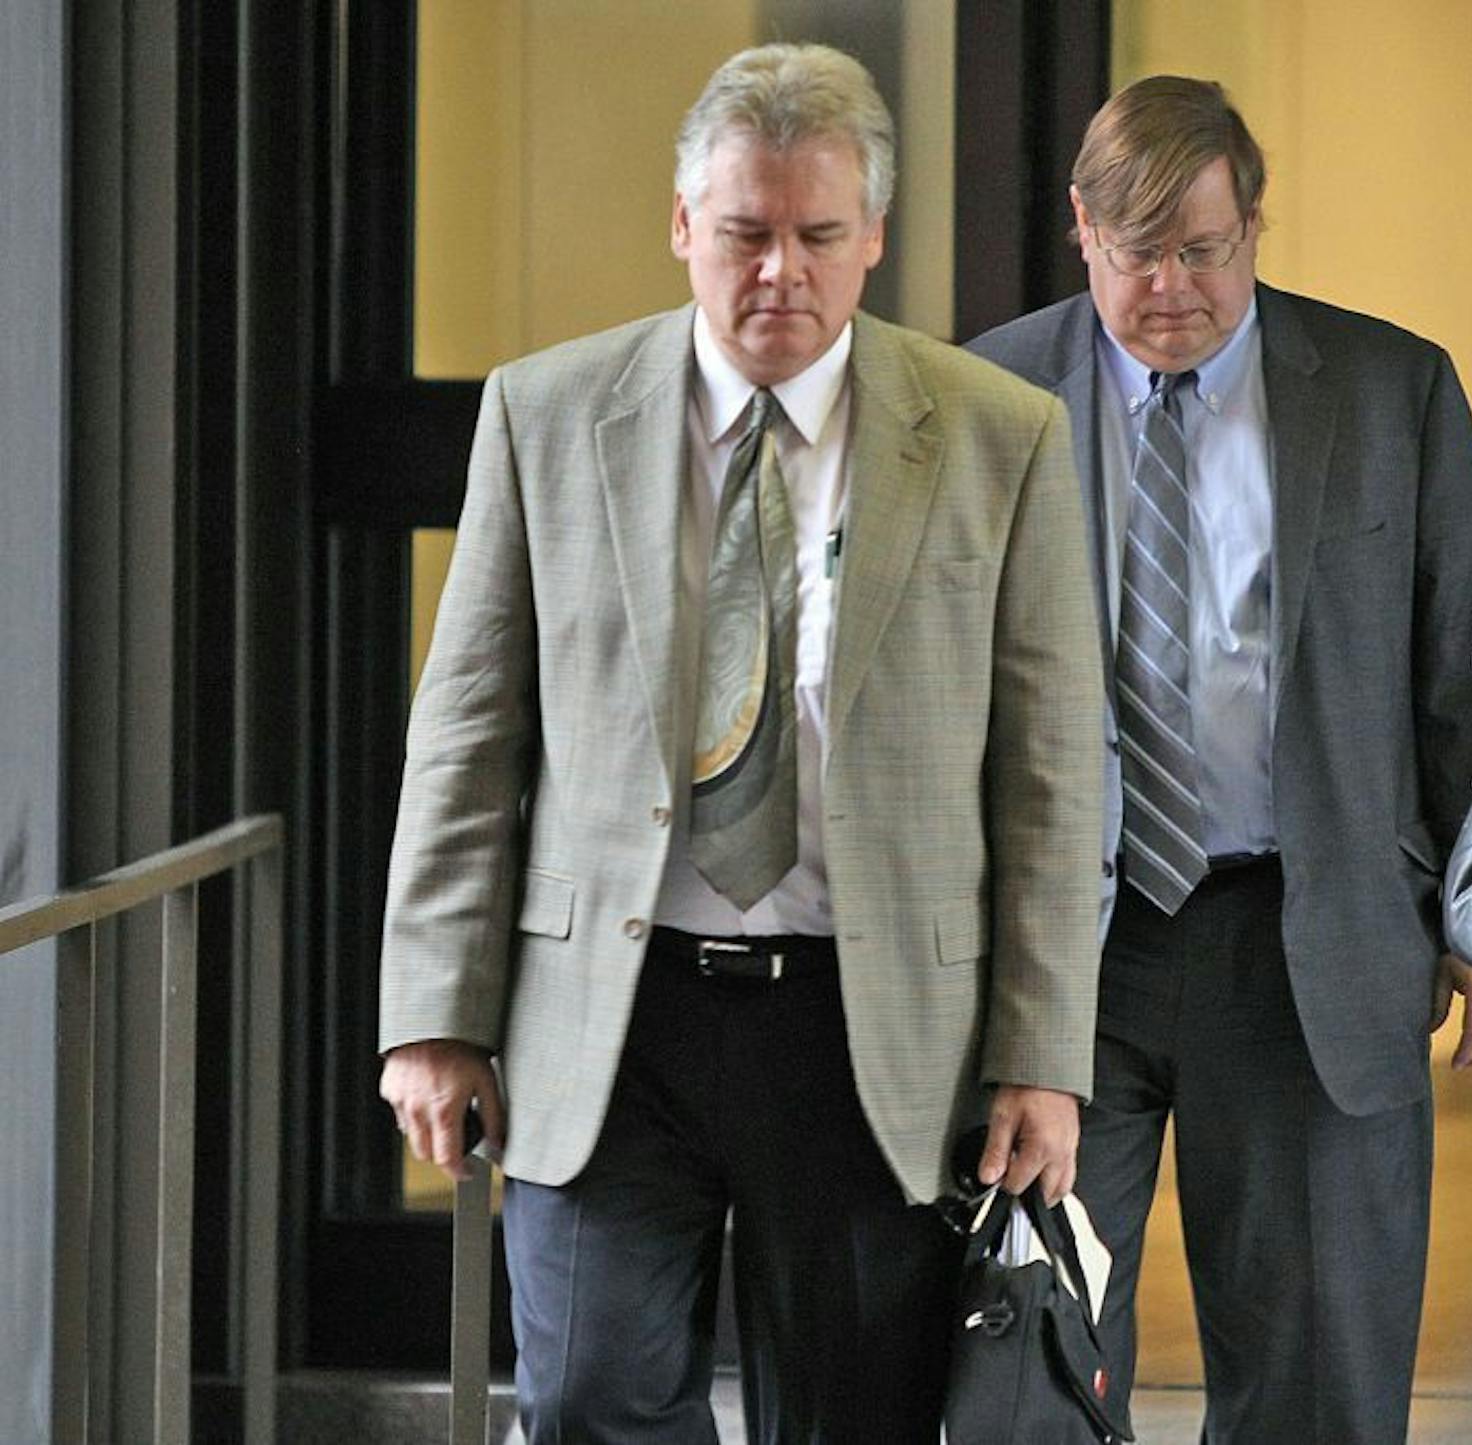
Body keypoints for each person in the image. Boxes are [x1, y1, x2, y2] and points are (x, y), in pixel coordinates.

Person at [374, 43, 1104, 1443]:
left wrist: (1041, 1050)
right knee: (590, 1392)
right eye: (745, 234)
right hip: (612, 1010)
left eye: (819, 236)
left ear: (875, 238)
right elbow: (466, 732)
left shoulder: (999, 437)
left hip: (870, 1023)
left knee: (854, 1415)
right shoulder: (548, 414)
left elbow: (1053, 775)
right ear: (681, 228)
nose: (781, 271)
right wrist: (434, 1012)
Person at [968, 75, 1472, 1444]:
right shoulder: (983, 394)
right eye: (1137, 251)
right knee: (1019, 1375)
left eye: (1205, 250)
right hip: (1060, 950)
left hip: (1305, 934)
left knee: (1317, 1387)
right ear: (1078, 233)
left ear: (1255, 227)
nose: (1172, 286)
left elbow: (1464, 666)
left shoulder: (1391, 389)